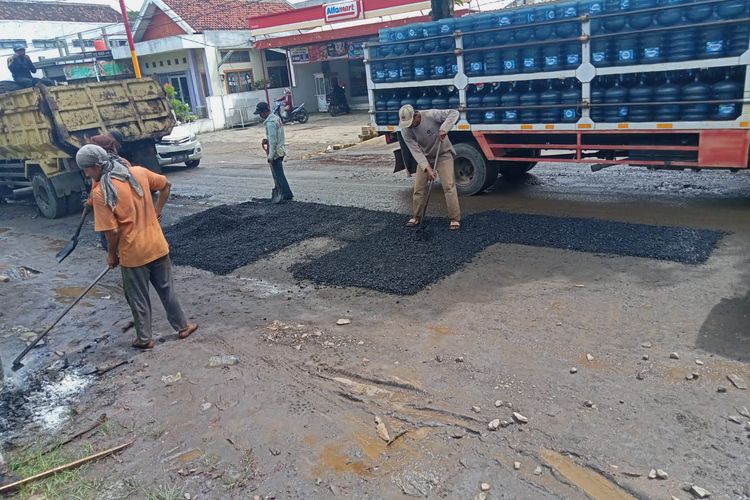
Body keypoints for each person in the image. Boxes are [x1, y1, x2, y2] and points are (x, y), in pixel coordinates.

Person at [75, 144, 198, 350]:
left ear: (97, 166)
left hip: (133, 254)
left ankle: (144, 339)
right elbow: (165, 185)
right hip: (157, 245)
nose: (86, 174)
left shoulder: (101, 192)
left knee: (138, 298)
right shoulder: (138, 172)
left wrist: (112, 256)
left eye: (86, 169)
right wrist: (156, 212)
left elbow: (112, 231)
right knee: (167, 290)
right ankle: (183, 327)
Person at [399, 105, 461, 231]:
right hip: (425, 157)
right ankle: (416, 216)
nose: (410, 126)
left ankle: (454, 218)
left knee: (449, 186)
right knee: (418, 188)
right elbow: (415, 151)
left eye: (411, 122)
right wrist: (427, 168)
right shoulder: (405, 129)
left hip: (442, 154)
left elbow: (454, 113)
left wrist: (444, 128)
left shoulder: (431, 115)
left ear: (416, 115)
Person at [85, 132, 132, 251]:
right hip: (128, 208)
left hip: (112, 209)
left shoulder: (98, 169)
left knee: (111, 239)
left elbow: (95, 193)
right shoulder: (124, 162)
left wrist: (89, 203)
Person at [255, 101, 293, 204]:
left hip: (276, 152)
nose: (260, 116)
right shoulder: (276, 118)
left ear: (264, 112)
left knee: (279, 174)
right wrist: (267, 141)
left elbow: (273, 141)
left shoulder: (270, 122)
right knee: (279, 173)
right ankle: (284, 192)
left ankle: (286, 194)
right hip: (281, 150)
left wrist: (270, 156)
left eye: (260, 113)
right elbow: (276, 137)